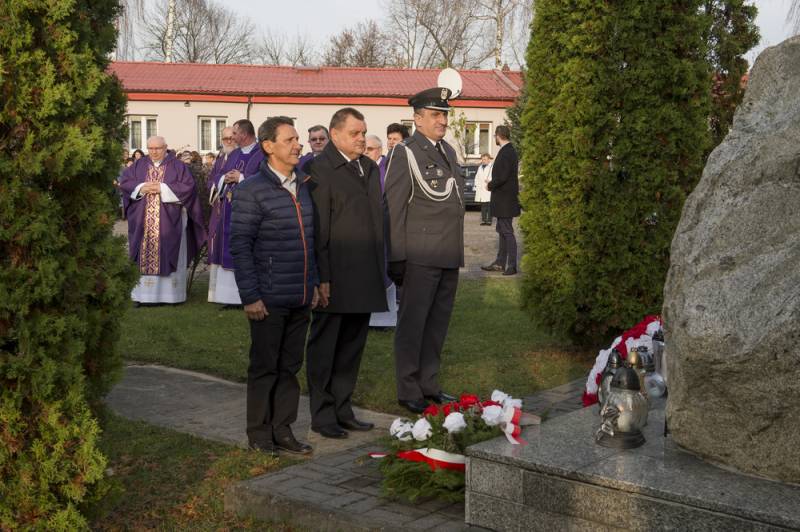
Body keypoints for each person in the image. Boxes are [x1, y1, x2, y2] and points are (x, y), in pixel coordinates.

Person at [229, 116, 319, 456]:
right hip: (268, 297)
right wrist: (250, 296)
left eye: (297, 139)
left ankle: (283, 430)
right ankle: (259, 434)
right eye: (290, 140)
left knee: (290, 367)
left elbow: (310, 239)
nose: (298, 145)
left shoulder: (304, 185)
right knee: (265, 366)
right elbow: (240, 245)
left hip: (299, 294)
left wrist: (313, 283)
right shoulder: (252, 190)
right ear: (268, 146)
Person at [305, 108, 387, 439]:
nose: (361, 139)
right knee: (325, 348)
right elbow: (319, 227)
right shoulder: (320, 168)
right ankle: (322, 414)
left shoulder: (368, 167)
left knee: (352, 347)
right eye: (355, 133)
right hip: (335, 275)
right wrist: (322, 276)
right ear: (335, 134)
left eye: (363, 132)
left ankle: (343, 408)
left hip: (364, 272)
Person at [384, 87, 465, 414]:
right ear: (417, 119)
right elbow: (393, 208)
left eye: (444, 114)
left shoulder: (448, 150)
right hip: (419, 256)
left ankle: (429, 383)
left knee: (436, 325)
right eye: (435, 115)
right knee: (413, 325)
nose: (442, 120)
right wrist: (396, 256)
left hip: (447, 253)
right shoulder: (405, 152)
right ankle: (408, 388)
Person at [119, 136, 206, 305]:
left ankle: (170, 297)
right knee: (142, 252)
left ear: (165, 147)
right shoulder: (139, 165)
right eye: (150, 148)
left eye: (157, 148)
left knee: (168, 250)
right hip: (143, 222)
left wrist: (163, 188)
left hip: (169, 221)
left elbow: (188, 188)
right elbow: (125, 182)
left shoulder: (178, 166)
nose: (153, 152)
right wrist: (141, 187)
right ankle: (143, 297)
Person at [364, 133, 398, 329]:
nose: (366, 153)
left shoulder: (389, 169)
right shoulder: (360, 168)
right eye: (364, 149)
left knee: (384, 273)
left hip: (386, 228)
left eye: (370, 149)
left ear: (379, 150)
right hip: (365, 229)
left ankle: (385, 320)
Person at [207, 126, 243, 306]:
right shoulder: (221, 159)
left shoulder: (244, 156)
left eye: (232, 137)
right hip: (220, 211)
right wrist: (222, 180)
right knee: (220, 249)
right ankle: (223, 295)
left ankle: (239, 296)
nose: (229, 141)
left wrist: (237, 178)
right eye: (225, 138)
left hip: (238, 211)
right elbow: (211, 179)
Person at [481, 126, 520, 276]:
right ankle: (499, 263)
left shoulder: (507, 152)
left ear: (498, 136)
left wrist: (490, 185)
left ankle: (512, 265)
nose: (494, 139)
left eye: (494, 136)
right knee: (502, 231)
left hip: (505, 200)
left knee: (507, 232)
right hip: (504, 199)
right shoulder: (508, 151)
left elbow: (502, 177)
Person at [474, 153, 493, 225]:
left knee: (489, 205)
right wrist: (476, 185)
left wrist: (490, 181)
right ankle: (484, 220)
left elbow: (495, 177)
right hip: (481, 188)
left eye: (485, 159)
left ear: (489, 159)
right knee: (483, 205)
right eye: (482, 159)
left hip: (488, 188)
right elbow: (477, 177)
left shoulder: (492, 167)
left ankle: (489, 220)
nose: (483, 161)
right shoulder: (480, 167)